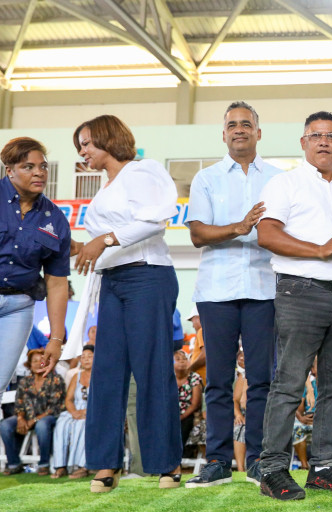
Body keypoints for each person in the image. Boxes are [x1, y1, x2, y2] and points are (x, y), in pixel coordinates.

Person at [257, 111, 332, 500]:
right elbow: (267, 234)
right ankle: (272, 469)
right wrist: (319, 249)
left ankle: (324, 467)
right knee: (289, 384)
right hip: (301, 291)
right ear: (303, 143)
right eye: (316, 135)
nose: (323, 141)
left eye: (331, 136)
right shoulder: (284, 183)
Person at [72, 114, 182, 492]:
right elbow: (100, 240)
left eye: (86, 143)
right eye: (80, 147)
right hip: (112, 280)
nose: (82, 152)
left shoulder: (141, 171)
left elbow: (154, 222)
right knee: (106, 370)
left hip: (147, 276)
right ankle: (106, 463)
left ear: (107, 138)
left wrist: (102, 241)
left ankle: (166, 463)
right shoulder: (104, 189)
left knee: (151, 369)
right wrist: (80, 247)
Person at [185, 101, 281, 488]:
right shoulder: (206, 179)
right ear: (223, 134)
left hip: (265, 289)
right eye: (232, 125)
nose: (239, 129)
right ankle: (218, 461)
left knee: (262, 381)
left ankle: (258, 460)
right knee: (218, 381)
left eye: (246, 124)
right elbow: (197, 233)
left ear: (259, 132)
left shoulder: (278, 180)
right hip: (216, 290)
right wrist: (239, 227)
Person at [1, 137, 70, 401]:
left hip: (18, 308)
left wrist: (56, 339)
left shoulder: (55, 218)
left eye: (43, 166)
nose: (39, 172)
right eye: (28, 167)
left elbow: (57, 282)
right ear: (10, 170)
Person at [0, 348, 65, 475]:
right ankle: (14, 464)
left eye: (41, 361)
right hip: (27, 417)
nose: (38, 364)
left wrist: (33, 420)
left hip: (48, 417)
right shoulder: (25, 381)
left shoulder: (55, 380)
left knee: (42, 425)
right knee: (5, 425)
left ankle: (44, 464)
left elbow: (55, 407)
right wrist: (20, 418)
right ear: (29, 364)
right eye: (34, 361)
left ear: (47, 363)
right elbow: (19, 404)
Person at [51, 344, 93, 479]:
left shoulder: (101, 376)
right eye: (83, 357)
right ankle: (60, 466)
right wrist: (74, 412)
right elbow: (68, 399)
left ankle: (81, 466)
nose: (86, 359)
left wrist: (86, 411)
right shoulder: (76, 376)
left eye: (90, 356)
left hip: (93, 410)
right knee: (62, 423)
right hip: (76, 410)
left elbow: (104, 399)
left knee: (82, 425)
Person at [174, 350, 202, 453]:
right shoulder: (167, 378)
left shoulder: (194, 378)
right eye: (178, 359)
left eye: (185, 359)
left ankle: (179, 453)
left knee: (185, 424)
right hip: (170, 414)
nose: (182, 361)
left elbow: (195, 404)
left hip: (188, 414)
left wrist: (181, 417)